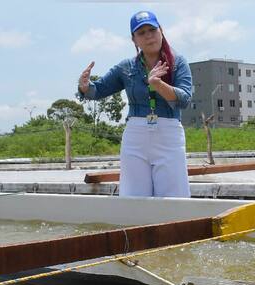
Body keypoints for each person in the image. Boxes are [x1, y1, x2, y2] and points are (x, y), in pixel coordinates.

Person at [77, 10, 193, 197]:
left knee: (174, 197)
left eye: (152, 30)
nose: (148, 36)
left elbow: (185, 99)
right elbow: (97, 90)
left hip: (168, 134)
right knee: (133, 196)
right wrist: (84, 87)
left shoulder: (178, 62)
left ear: (161, 31)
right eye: (141, 33)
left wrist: (158, 84)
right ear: (134, 40)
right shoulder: (126, 67)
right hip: (135, 135)